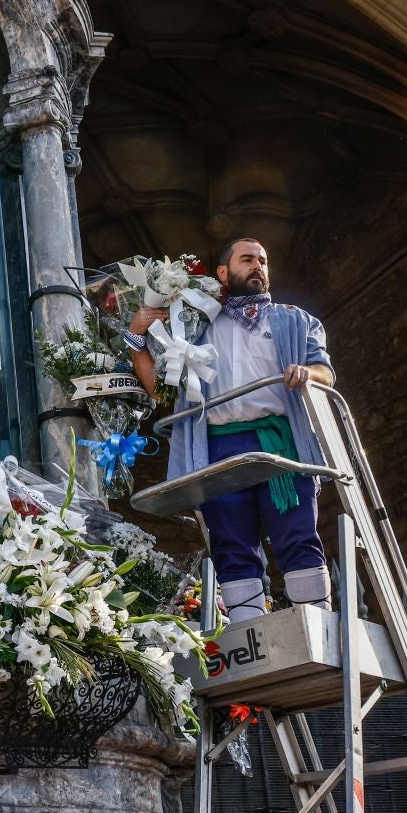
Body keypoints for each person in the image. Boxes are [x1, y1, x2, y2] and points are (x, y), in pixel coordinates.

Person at [127, 238, 334, 623]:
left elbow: (324, 371)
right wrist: (136, 338)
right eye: (247, 259)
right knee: (231, 545)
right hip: (218, 447)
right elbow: (159, 390)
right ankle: (250, 632)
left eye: (263, 261)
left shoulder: (295, 320)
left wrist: (307, 373)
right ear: (223, 273)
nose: (258, 266)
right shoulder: (194, 326)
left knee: (297, 534)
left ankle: (316, 626)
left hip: (279, 443)